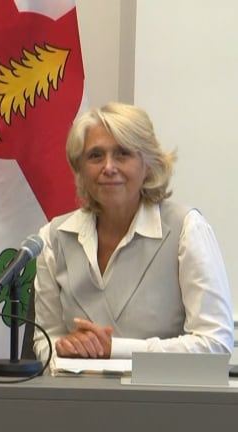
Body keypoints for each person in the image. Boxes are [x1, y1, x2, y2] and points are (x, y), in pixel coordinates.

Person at [32, 102, 233, 361]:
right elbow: (45, 340)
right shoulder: (53, 237)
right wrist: (62, 347)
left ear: (147, 164)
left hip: (160, 400)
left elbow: (215, 344)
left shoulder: (186, 228)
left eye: (122, 154)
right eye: (95, 156)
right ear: (80, 168)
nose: (108, 167)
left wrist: (115, 349)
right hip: (76, 398)